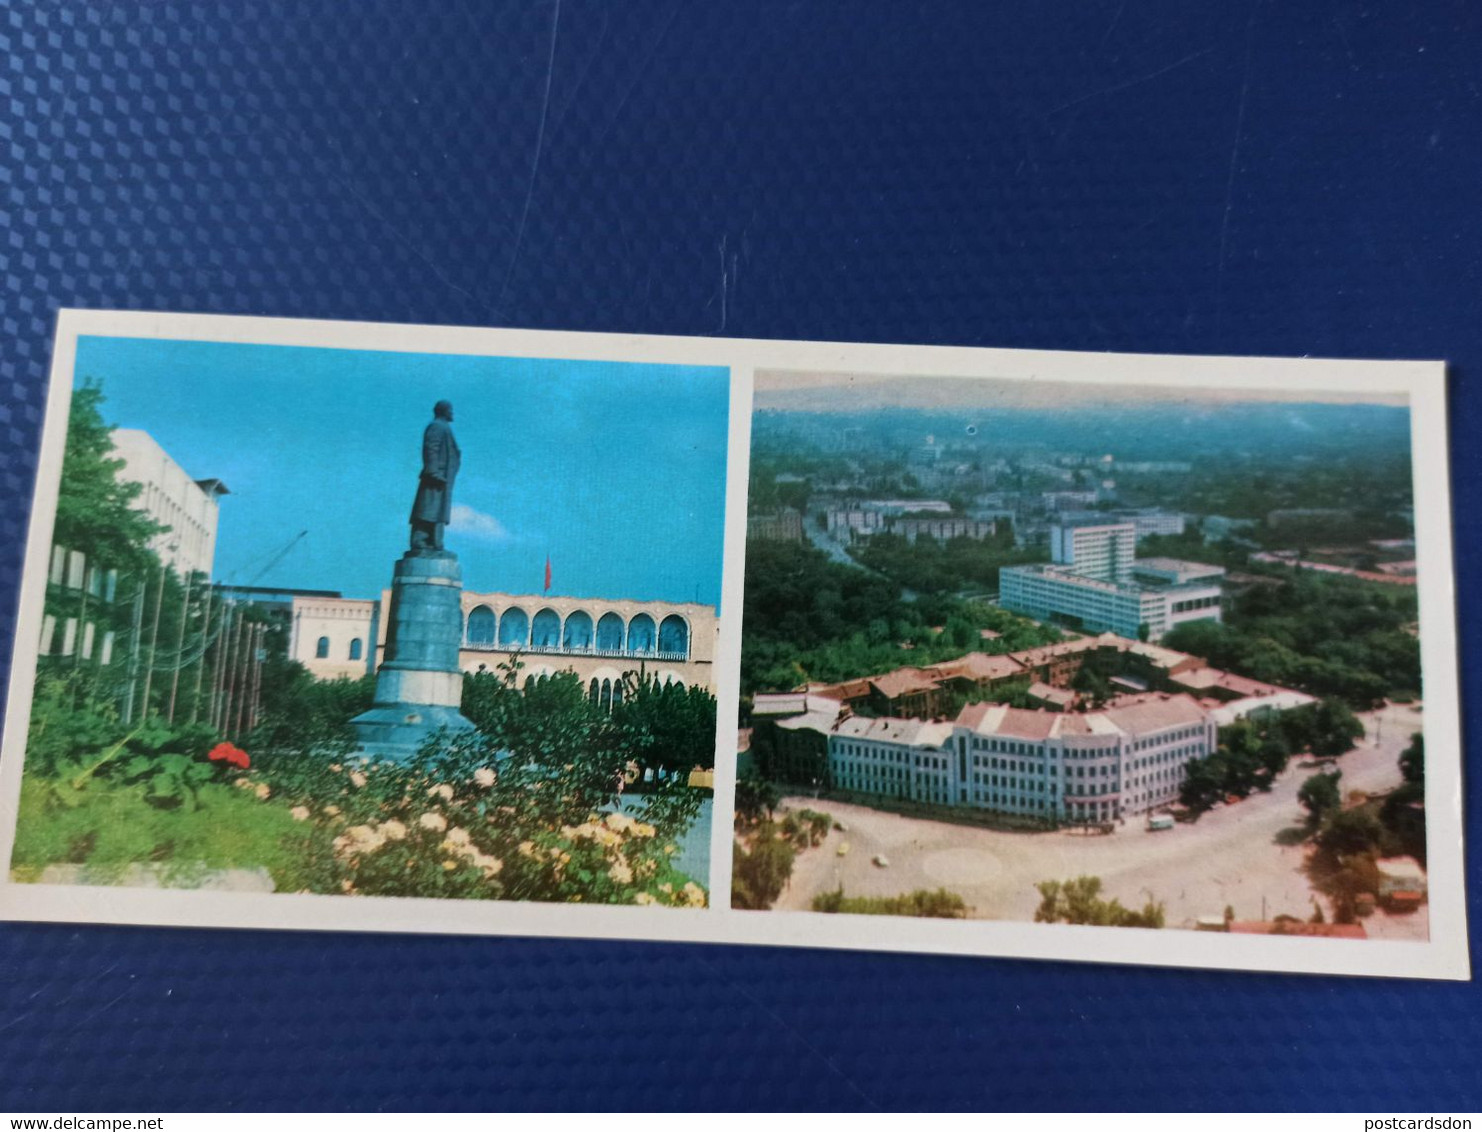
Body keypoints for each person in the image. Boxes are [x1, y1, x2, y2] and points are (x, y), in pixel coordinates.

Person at [409, 400, 460, 552]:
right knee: (428, 509)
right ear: (443, 411)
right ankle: (421, 540)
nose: (452, 413)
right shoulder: (437, 426)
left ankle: (435, 541)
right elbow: (430, 448)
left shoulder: (444, 427)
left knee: (437, 510)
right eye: (450, 410)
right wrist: (433, 471)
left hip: (443, 477)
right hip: (436, 477)